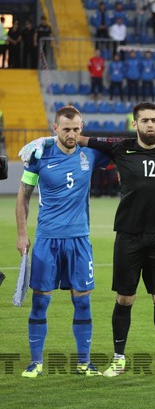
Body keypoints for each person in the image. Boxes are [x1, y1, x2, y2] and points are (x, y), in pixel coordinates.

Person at [78, 102, 155, 376]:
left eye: (154, 120)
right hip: (128, 235)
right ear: (134, 124)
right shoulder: (119, 147)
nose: (149, 124)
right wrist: (45, 140)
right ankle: (118, 360)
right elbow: (78, 137)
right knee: (125, 298)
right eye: (144, 120)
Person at [17, 106, 110, 377]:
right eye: (66, 129)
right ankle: (36, 362)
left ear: (82, 129)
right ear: (55, 128)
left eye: (76, 129)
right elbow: (23, 196)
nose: (71, 134)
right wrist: (22, 233)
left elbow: (122, 148)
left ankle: (84, 362)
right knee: (40, 302)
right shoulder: (39, 155)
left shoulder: (90, 154)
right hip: (47, 240)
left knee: (82, 302)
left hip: (79, 240)